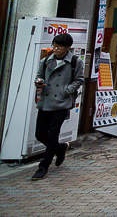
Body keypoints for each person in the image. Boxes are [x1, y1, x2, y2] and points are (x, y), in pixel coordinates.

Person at [31, 33, 84, 180]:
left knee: (53, 133)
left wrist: (67, 90)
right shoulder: (46, 60)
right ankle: (60, 148)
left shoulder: (75, 61)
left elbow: (79, 79)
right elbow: (38, 75)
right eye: (54, 45)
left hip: (61, 103)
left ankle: (43, 167)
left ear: (67, 48)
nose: (56, 49)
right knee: (40, 134)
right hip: (46, 101)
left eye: (59, 47)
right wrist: (39, 82)